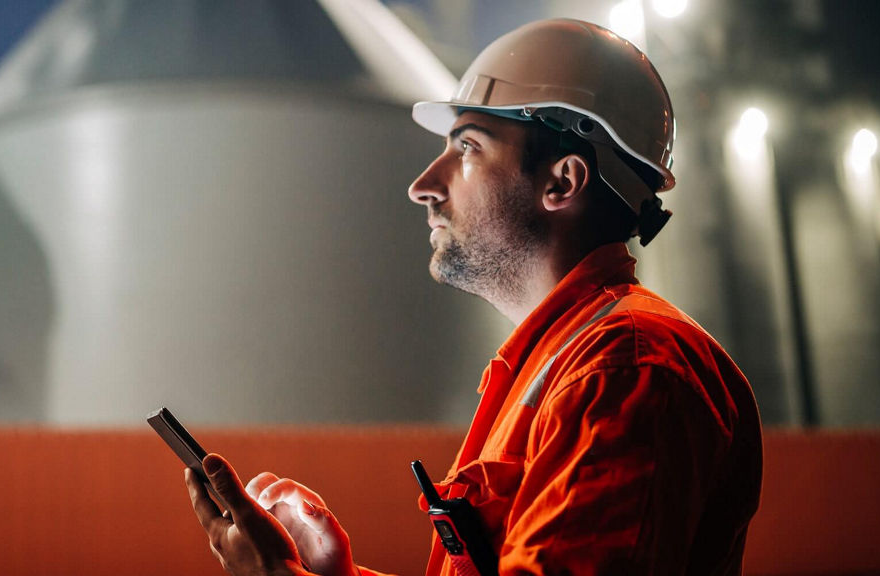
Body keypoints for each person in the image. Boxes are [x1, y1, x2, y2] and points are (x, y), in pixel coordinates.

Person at [183, 18, 762, 576]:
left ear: (561, 182)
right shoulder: (554, 364)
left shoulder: (625, 367)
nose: (423, 186)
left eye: (466, 148)